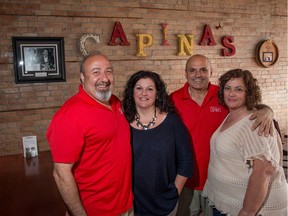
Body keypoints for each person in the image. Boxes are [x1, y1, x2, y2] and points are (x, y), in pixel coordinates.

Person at [169, 54, 274, 216]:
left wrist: (267, 110)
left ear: (211, 72)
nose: (198, 75)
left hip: (218, 182)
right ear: (185, 73)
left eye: (203, 70)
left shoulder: (224, 95)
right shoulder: (173, 100)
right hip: (187, 181)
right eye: (192, 70)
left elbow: (249, 106)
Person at [46, 52, 133, 216]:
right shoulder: (70, 115)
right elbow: (61, 174)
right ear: (82, 77)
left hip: (125, 206)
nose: (104, 78)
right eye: (96, 72)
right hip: (95, 210)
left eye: (108, 71)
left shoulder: (115, 102)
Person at [202, 69, 287, 215]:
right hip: (227, 203)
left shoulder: (254, 123)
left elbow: (264, 171)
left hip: (251, 209)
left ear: (249, 93)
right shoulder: (231, 115)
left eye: (239, 89)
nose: (231, 93)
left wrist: (247, 212)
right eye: (227, 88)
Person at [122, 70, 193, 216]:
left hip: (166, 203)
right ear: (132, 92)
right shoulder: (122, 124)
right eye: (139, 88)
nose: (144, 93)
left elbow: (186, 161)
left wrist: (174, 192)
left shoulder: (172, 122)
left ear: (158, 93)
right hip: (131, 204)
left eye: (150, 89)